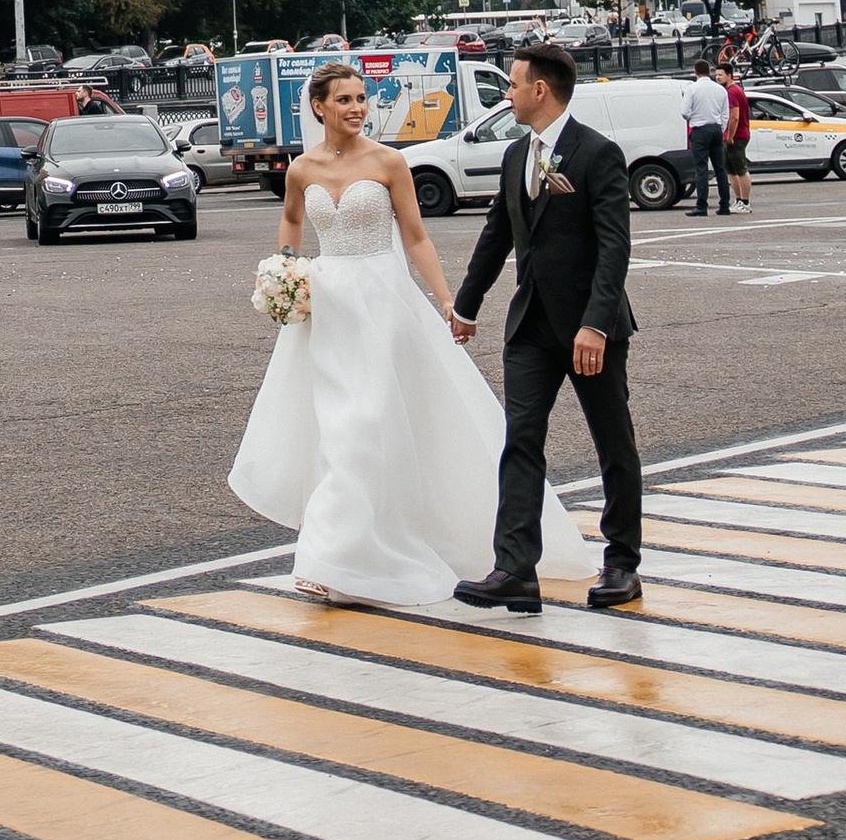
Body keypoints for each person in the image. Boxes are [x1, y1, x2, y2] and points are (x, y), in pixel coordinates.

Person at [229, 59, 591, 607]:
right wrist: (285, 269)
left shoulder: (389, 161)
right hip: (329, 311)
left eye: (361, 98)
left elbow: (416, 237)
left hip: (383, 305)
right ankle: (333, 559)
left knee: (367, 424)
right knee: (338, 430)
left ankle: (356, 553)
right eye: (344, 99)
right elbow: (293, 223)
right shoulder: (301, 169)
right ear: (319, 107)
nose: (357, 108)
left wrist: (447, 300)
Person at [449, 36, 645, 615]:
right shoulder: (517, 155)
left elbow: (614, 247)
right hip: (530, 326)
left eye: (512, 85)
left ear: (540, 89)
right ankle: (514, 569)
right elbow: (498, 234)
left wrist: (597, 325)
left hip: (590, 331)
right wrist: (466, 306)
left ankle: (622, 564)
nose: (506, 95)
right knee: (521, 441)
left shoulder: (597, 153)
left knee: (613, 443)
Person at [684, 58, 732, 217]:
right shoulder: (720, 90)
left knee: (701, 169)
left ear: (695, 72)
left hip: (700, 129)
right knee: (720, 169)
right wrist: (721, 128)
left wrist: (693, 117)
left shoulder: (692, 89)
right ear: (710, 72)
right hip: (716, 129)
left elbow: (684, 112)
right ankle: (724, 205)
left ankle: (701, 206)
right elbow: (725, 113)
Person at [721, 61, 753, 209]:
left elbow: (734, 116)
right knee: (731, 170)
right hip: (736, 135)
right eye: (716, 75)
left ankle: (745, 202)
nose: (717, 78)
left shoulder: (732, 92)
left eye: (720, 75)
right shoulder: (733, 90)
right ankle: (739, 200)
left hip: (737, 136)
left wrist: (730, 136)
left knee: (740, 169)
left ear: (729, 75)